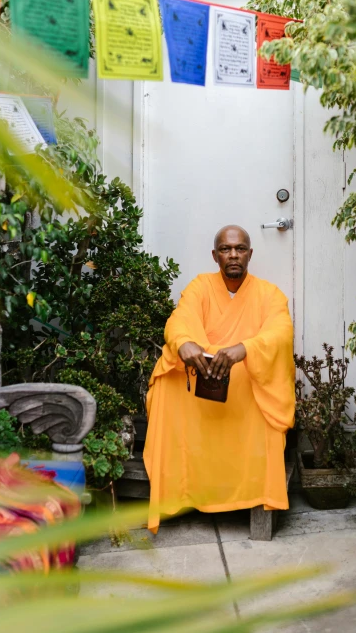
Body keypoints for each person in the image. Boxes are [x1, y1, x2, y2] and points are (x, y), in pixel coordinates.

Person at [144, 225, 296, 532]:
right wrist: (184, 342)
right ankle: (185, 485)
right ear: (215, 256)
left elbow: (281, 333)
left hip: (244, 390)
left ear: (250, 254)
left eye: (240, 249)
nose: (233, 255)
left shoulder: (270, 295)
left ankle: (250, 488)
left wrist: (245, 349)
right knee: (167, 377)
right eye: (226, 250)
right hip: (203, 389)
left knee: (251, 381)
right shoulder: (200, 286)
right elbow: (179, 320)